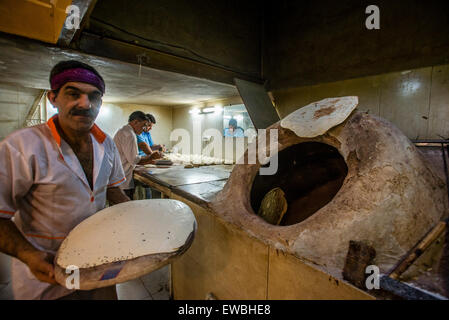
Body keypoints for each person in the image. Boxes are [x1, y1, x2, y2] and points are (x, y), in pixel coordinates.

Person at [0, 60, 130, 300]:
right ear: (53, 98)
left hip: (98, 263)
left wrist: (141, 219)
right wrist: (28, 255)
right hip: (48, 272)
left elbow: (113, 191)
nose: (85, 104)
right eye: (73, 93)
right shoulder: (22, 146)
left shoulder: (106, 144)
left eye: (94, 96)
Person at [113, 111, 162, 200]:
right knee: (125, 208)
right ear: (135, 122)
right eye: (143, 125)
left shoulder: (124, 131)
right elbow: (134, 160)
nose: (144, 129)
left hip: (119, 176)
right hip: (123, 178)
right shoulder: (129, 135)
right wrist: (151, 157)